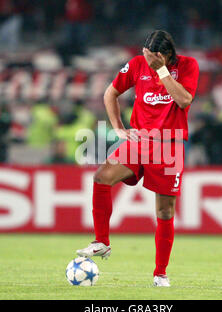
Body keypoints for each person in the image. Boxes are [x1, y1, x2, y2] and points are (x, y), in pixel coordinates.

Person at [76, 30, 199, 287]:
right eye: (145, 55)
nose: (148, 61)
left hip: (169, 144)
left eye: (153, 57)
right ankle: (102, 242)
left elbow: (184, 100)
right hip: (139, 140)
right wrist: (119, 128)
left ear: (165, 55)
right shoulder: (136, 65)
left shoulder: (188, 65)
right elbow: (110, 93)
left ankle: (160, 273)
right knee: (102, 177)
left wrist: (162, 71)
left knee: (164, 212)